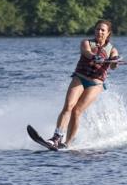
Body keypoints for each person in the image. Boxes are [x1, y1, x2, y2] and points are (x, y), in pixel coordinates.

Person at [48, 19, 121, 149]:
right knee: (69, 106)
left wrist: (114, 60)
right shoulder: (86, 43)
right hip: (80, 78)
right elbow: (86, 52)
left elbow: (114, 64)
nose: (99, 32)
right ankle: (56, 137)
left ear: (108, 33)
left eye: (103, 30)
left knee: (77, 111)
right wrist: (94, 57)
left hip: (95, 84)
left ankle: (67, 143)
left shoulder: (112, 50)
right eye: (97, 29)